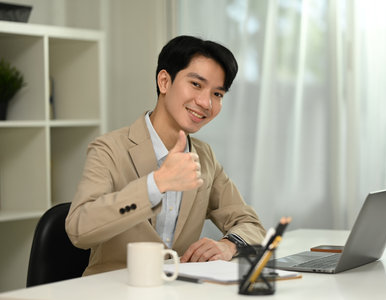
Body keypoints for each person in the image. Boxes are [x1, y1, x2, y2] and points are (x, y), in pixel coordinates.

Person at [65, 35, 266, 276]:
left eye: (218, 94)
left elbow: (251, 223)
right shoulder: (109, 149)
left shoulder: (204, 156)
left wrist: (227, 245)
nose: (205, 102)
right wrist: (156, 184)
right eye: (196, 84)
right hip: (115, 290)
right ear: (164, 81)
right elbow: (79, 229)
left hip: (176, 290)